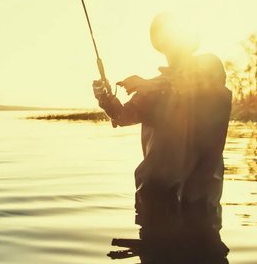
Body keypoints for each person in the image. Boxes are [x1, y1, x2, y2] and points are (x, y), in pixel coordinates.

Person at [92, 12, 232, 221]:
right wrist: (106, 98)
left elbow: (203, 86)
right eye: (161, 36)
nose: (167, 41)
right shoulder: (151, 89)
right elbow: (122, 116)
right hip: (154, 196)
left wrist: (150, 85)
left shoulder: (209, 65)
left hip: (200, 200)